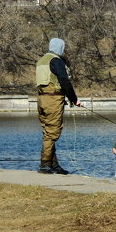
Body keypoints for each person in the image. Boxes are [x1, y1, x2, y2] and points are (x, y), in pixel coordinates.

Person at [35, 37, 81, 175]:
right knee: (52, 133)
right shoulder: (56, 61)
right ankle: (44, 165)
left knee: (47, 132)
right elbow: (64, 80)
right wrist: (74, 99)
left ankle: (53, 164)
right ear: (60, 48)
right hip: (53, 101)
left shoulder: (41, 60)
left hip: (42, 100)